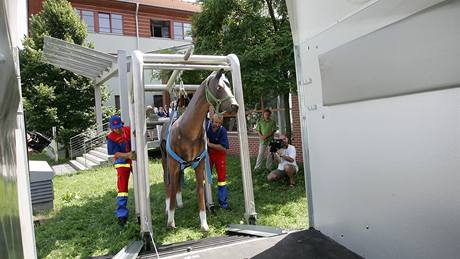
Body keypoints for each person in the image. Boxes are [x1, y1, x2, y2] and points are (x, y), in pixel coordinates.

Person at [106, 115, 135, 226]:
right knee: (122, 189)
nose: (117, 129)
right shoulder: (111, 138)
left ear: (122, 125)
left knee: (140, 182)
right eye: (115, 128)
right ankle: (122, 214)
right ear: (111, 127)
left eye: (119, 127)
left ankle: (143, 206)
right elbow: (116, 153)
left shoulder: (127, 129)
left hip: (133, 160)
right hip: (122, 162)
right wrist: (127, 155)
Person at [206, 113, 231, 210]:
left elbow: (223, 148)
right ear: (212, 119)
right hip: (208, 154)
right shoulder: (207, 126)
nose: (217, 124)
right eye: (216, 122)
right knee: (206, 177)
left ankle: (223, 204)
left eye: (219, 123)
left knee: (221, 180)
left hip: (220, 155)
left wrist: (209, 144)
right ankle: (206, 200)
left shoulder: (222, 130)